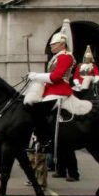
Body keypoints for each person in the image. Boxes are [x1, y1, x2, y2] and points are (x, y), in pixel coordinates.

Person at [26, 19, 75, 155]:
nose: (51, 46)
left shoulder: (65, 57)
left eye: (54, 44)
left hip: (59, 91)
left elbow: (55, 77)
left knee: (39, 110)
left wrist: (36, 76)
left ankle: (45, 140)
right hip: (51, 90)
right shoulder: (57, 57)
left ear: (62, 44)